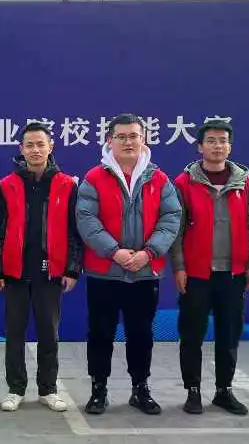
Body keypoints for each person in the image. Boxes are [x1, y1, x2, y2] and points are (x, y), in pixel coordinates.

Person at [76, 113, 182, 415]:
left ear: (143, 139)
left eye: (133, 136)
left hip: (145, 272)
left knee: (141, 335)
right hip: (104, 272)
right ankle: (98, 390)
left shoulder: (158, 179)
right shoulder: (94, 177)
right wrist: (115, 252)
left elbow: (171, 218)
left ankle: (140, 388)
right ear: (109, 140)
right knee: (100, 334)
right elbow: (86, 219)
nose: (128, 142)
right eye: (121, 137)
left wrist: (148, 253)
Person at [170, 118, 249, 416]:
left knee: (229, 334)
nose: (217, 146)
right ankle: (193, 390)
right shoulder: (184, 182)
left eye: (223, 141)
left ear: (230, 147)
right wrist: (179, 267)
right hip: (197, 273)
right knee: (192, 334)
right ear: (199, 147)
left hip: (233, 273)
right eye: (211, 141)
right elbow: (176, 230)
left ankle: (224, 391)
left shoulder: (243, 181)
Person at [0, 122, 82, 412]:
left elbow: (75, 231)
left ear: (50, 147)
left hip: (51, 272)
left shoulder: (67, 185)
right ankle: (15, 389)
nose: (35, 150)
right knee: (14, 333)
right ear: (21, 149)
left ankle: (48, 389)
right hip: (15, 272)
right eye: (29, 145)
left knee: (48, 333)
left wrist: (72, 269)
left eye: (41, 144)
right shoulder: (8, 185)